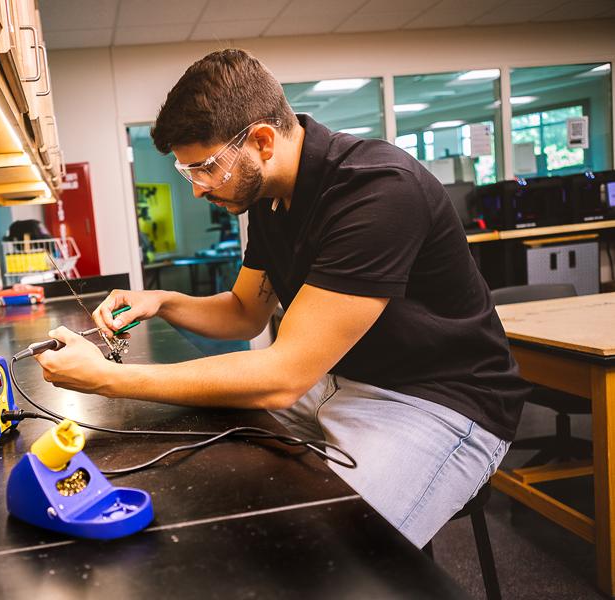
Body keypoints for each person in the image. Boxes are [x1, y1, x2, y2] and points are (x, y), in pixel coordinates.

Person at [34, 49, 528, 548]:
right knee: (190, 450)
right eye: (190, 173)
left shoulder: (377, 191)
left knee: (334, 551)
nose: (199, 190)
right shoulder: (270, 199)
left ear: (263, 140)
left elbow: (283, 376)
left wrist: (110, 379)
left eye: (205, 168)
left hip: (436, 403)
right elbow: (245, 312)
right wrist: (159, 300)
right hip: (336, 380)